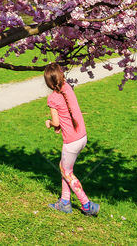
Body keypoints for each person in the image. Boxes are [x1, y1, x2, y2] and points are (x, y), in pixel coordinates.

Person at [43, 63, 100, 216]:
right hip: (82, 136)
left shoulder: (52, 98)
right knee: (64, 167)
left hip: (71, 142)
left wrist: (49, 123)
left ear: (48, 83)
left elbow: (56, 122)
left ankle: (87, 205)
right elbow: (66, 113)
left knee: (67, 172)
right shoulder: (67, 87)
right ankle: (65, 202)